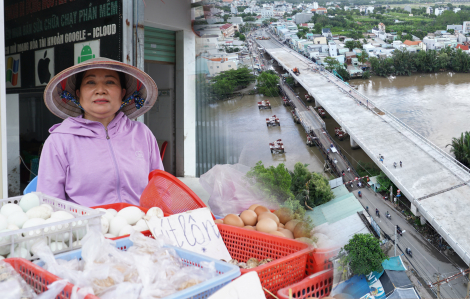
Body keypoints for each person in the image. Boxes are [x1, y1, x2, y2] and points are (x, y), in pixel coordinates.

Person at [37, 58, 163, 207]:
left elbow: (160, 187)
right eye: (91, 82)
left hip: (140, 225)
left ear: (122, 93)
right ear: (78, 94)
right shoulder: (59, 141)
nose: (100, 90)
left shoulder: (142, 134)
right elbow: (49, 203)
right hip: (86, 227)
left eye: (110, 82)